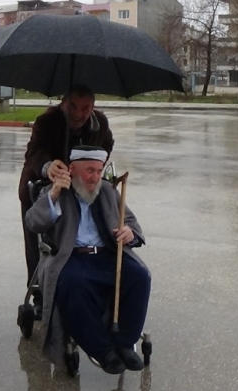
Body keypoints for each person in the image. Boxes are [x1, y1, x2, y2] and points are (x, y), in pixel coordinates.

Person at [25, 145, 150, 375]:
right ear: (72, 169)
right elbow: (33, 222)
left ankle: (124, 343)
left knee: (140, 276)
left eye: (98, 171)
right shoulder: (57, 191)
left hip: (106, 254)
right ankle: (103, 351)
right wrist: (53, 194)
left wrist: (130, 232)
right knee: (72, 284)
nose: (94, 177)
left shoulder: (108, 191)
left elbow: (132, 222)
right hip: (70, 256)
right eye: (89, 171)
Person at [18, 84, 114, 308]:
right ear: (63, 103)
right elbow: (34, 151)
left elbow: (107, 145)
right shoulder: (47, 122)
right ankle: (41, 294)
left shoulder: (100, 123)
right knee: (40, 244)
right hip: (41, 188)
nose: (78, 113)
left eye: (85, 108)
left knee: (81, 238)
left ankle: (82, 285)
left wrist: (94, 167)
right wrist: (49, 166)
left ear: (93, 108)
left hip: (81, 192)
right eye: (73, 106)